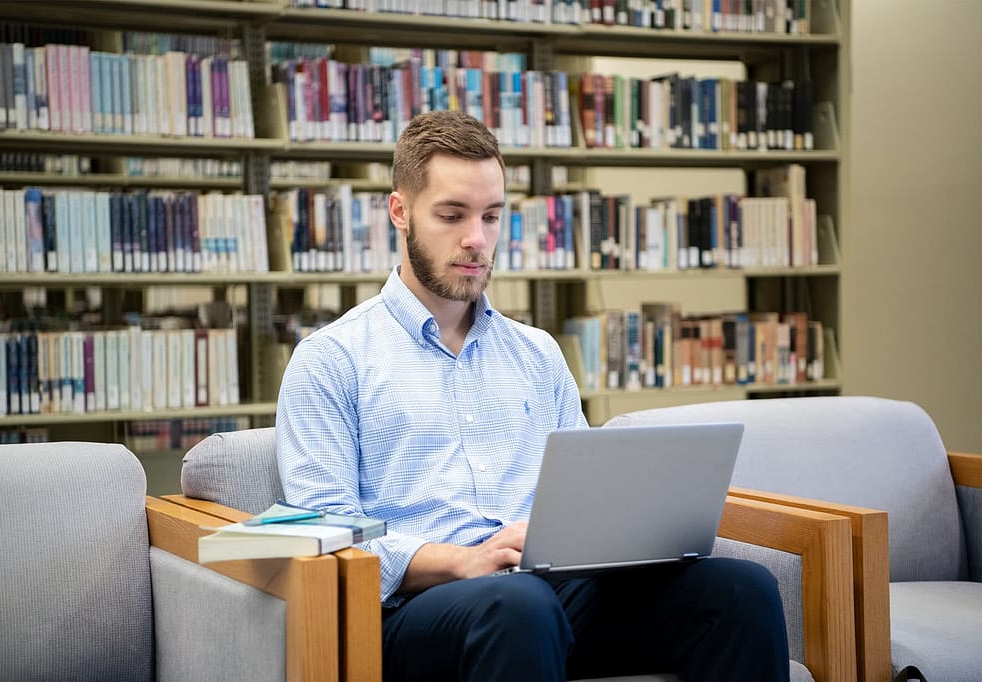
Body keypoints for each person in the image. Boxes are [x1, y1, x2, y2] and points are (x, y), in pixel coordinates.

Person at [276, 109, 789, 681]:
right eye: (452, 216)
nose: (476, 240)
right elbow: (327, 538)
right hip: (419, 613)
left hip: (552, 595)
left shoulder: (537, 353)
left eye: (491, 217)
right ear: (400, 211)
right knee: (519, 607)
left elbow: (585, 499)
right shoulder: (330, 360)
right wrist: (461, 562)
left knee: (740, 590)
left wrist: (629, 534)